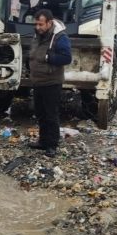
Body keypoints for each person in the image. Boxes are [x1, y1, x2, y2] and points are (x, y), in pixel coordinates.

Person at [27, 9, 72, 158]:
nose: (38, 27)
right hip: (38, 81)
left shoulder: (60, 37)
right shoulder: (38, 35)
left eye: (41, 24)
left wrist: (49, 58)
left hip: (51, 82)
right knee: (40, 113)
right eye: (36, 24)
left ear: (49, 23)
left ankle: (52, 145)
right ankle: (43, 141)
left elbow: (66, 58)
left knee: (51, 114)